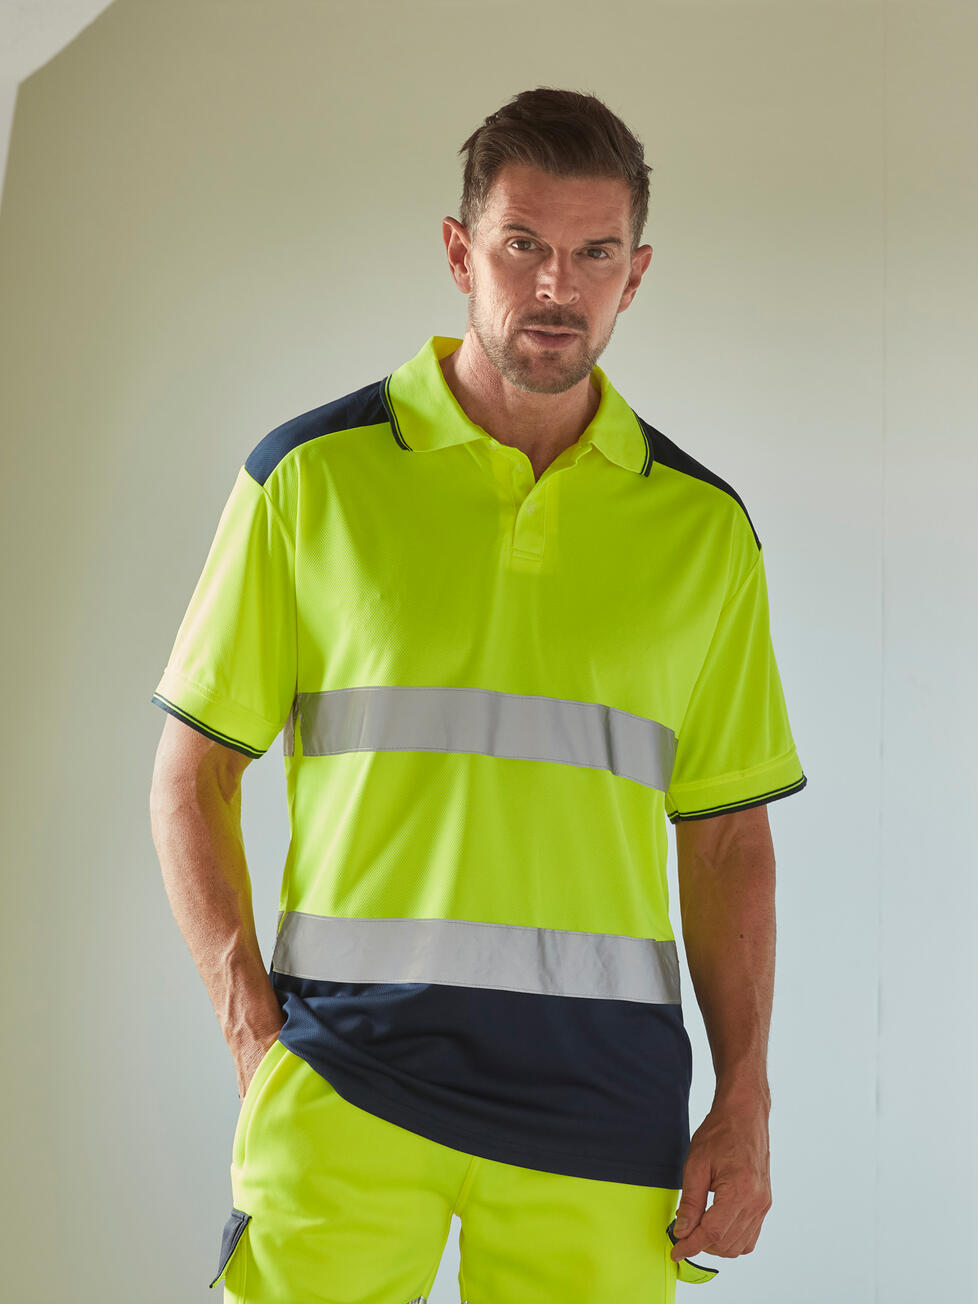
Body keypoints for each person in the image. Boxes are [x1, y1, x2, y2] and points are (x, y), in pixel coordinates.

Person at [149, 86, 806, 1304]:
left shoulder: (703, 530)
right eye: (522, 244)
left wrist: (745, 1093)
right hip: (348, 1079)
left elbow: (726, 841)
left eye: (594, 253)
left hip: (601, 1108)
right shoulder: (310, 479)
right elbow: (192, 777)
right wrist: (253, 1032)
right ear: (460, 253)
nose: (557, 285)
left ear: (635, 273)